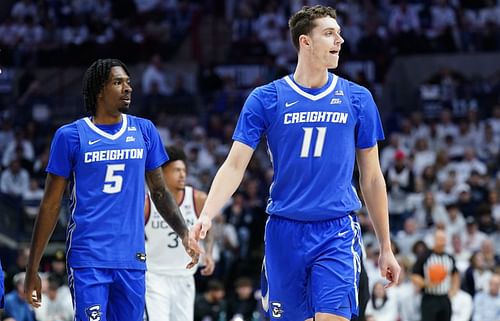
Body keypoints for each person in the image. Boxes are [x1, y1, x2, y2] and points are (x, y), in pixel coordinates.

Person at [191, 5, 400, 321]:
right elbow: (234, 165)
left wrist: (386, 245)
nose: (340, 40)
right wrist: (207, 214)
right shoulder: (266, 98)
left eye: (339, 32)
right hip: (285, 231)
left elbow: (371, 178)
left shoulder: (358, 98)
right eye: (329, 33)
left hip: (337, 229)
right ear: (305, 42)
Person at [23, 58, 201, 321]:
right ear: (99, 91)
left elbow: (160, 192)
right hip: (88, 258)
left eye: (128, 82)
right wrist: (32, 268)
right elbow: (50, 205)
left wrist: (184, 232)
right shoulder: (70, 136)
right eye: (118, 83)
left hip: (132, 258)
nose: (127, 88)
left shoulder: (144, 130)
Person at [144, 146, 215, 321]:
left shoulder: (197, 198)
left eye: (184, 170)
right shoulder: (146, 203)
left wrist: (210, 253)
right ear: (161, 173)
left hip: (185, 276)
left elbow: (209, 226)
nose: (183, 175)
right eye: (176, 170)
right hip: (155, 276)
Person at [411, 228, 460, 321]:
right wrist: (425, 283)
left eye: (444, 239)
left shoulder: (449, 258)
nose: (442, 242)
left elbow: (455, 274)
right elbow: (414, 275)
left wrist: (454, 290)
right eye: (439, 239)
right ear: (434, 240)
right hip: (429, 298)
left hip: (445, 298)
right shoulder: (425, 256)